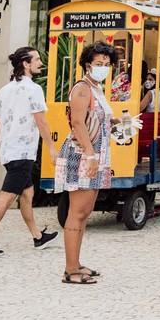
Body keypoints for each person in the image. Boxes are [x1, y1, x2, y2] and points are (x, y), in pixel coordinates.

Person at [0, 46, 59, 256]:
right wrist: (51, 149)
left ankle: (38, 237)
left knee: (27, 193)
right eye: (37, 60)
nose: (41, 63)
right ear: (26, 64)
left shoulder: (5, 90)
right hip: (22, 153)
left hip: (9, 151)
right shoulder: (34, 90)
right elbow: (42, 122)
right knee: (6, 198)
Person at [56, 42, 117, 284]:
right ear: (87, 64)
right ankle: (71, 270)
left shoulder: (97, 88)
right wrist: (91, 156)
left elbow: (98, 122)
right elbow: (78, 124)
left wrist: (121, 127)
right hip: (83, 154)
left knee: (85, 212)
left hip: (96, 154)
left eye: (107, 64)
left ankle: (76, 262)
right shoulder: (82, 89)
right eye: (99, 64)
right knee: (77, 212)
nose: (103, 68)